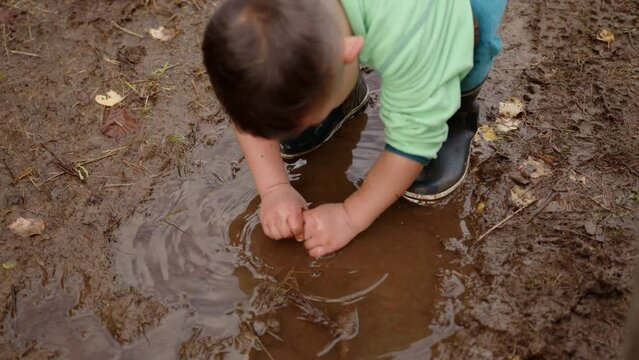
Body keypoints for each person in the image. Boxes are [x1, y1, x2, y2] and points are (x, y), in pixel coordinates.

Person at [202, 0, 507, 257]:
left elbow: (411, 142)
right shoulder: (253, 14)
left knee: (467, 43)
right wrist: (273, 188)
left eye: (304, 119)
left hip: (438, 16)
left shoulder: (412, 32)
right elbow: (244, 93)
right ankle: (332, 98)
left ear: (351, 52)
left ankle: (456, 113)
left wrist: (350, 216)